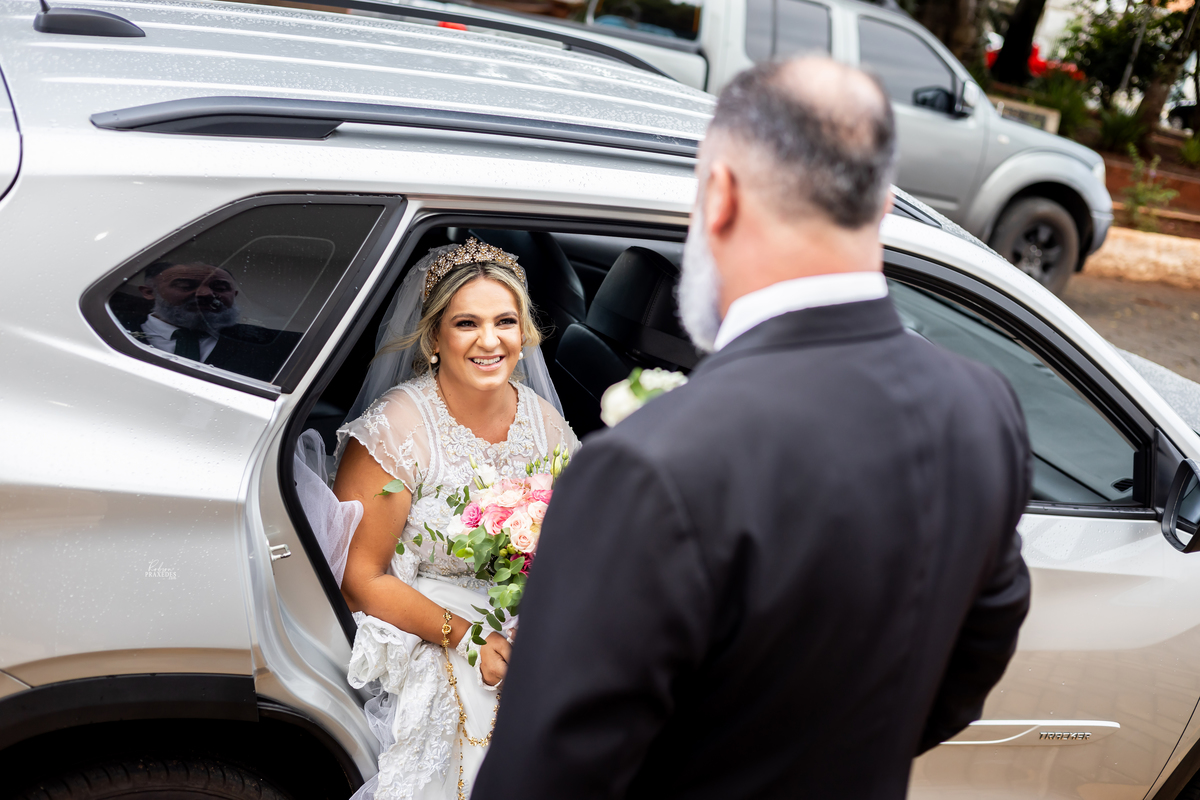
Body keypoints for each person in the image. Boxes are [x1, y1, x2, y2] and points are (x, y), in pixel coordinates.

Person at [473, 57, 1033, 800]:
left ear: (723, 193)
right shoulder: (983, 408)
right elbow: (968, 671)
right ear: (885, 203)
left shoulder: (648, 467)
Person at [329, 237, 579, 800]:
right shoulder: (396, 428)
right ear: (435, 337)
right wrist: (468, 639)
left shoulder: (543, 421)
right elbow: (361, 578)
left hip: (523, 614)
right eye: (467, 323)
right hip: (426, 616)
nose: (490, 341)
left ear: (525, 334)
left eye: (506, 322)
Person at [125, 260, 299, 382]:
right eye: (186, 286)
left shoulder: (280, 347)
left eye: (220, 288)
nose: (205, 294)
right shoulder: (106, 333)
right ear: (148, 292)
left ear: (234, 296)